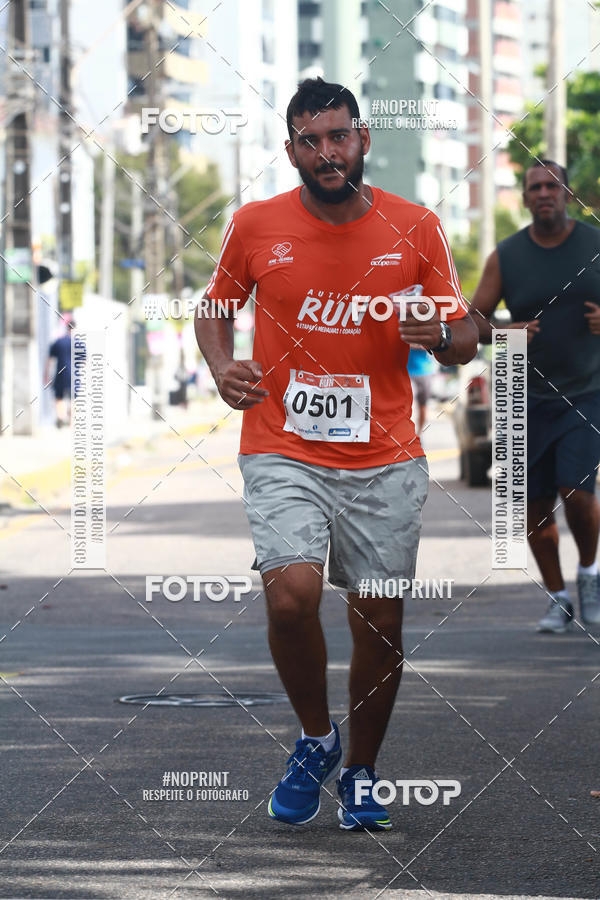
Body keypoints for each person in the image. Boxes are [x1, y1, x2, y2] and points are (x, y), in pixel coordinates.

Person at [195, 78, 477, 831]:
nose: (326, 152)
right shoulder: (255, 224)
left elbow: (465, 331)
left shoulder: (415, 225)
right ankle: (316, 738)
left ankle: (361, 772)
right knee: (289, 591)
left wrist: (441, 341)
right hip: (282, 444)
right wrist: (224, 368)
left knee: (378, 619)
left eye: (338, 136)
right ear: (291, 149)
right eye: (309, 139)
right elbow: (215, 307)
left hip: (384, 455)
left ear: (363, 139)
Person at [470, 159, 600, 633]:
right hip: (521, 396)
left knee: (578, 493)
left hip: (588, 391)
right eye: (535, 187)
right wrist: (506, 330)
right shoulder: (507, 256)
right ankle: (558, 598)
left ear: (567, 194)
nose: (544, 193)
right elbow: (473, 321)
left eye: (553, 186)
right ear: (525, 199)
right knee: (533, 506)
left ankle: (589, 574)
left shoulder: (594, 243)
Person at [45, 314, 75, 427]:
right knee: (73, 398)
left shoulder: (58, 342)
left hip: (60, 373)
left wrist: (46, 375)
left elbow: (49, 360)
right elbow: (84, 362)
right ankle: (72, 420)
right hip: (74, 375)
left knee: (59, 397)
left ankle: (61, 417)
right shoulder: (79, 343)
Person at [407, 347, 438, 436]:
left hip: (425, 372)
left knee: (423, 406)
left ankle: (419, 435)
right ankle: (407, 434)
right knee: (407, 404)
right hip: (407, 371)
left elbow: (431, 345)